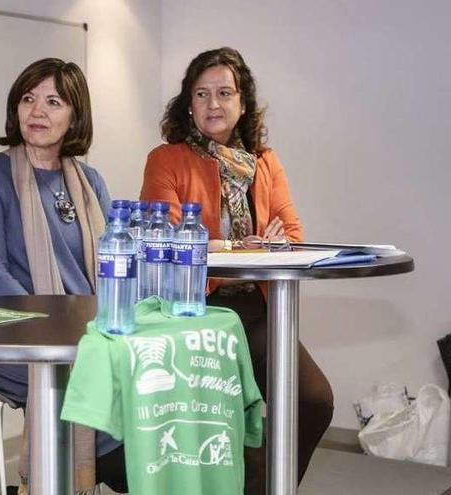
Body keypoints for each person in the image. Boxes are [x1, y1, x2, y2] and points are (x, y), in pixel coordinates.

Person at [139, 47, 334, 493]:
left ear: (243, 103)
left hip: (259, 307)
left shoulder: (264, 161)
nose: (213, 104)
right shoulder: (166, 159)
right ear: (188, 104)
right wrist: (237, 248)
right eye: (202, 94)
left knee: (313, 400)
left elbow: (293, 235)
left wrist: (268, 247)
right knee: (224, 419)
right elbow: (168, 241)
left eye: (224, 93)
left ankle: (259, 485)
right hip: (198, 310)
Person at [0, 58, 127, 493]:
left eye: (54, 101)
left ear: (75, 115)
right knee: (87, 378)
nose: (37, 111)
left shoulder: (90, 181)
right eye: (28, 99)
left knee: (145, 371)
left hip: (88, 339)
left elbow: (112, 270)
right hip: (15, 338)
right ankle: (76, 476)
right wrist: (58, 332)